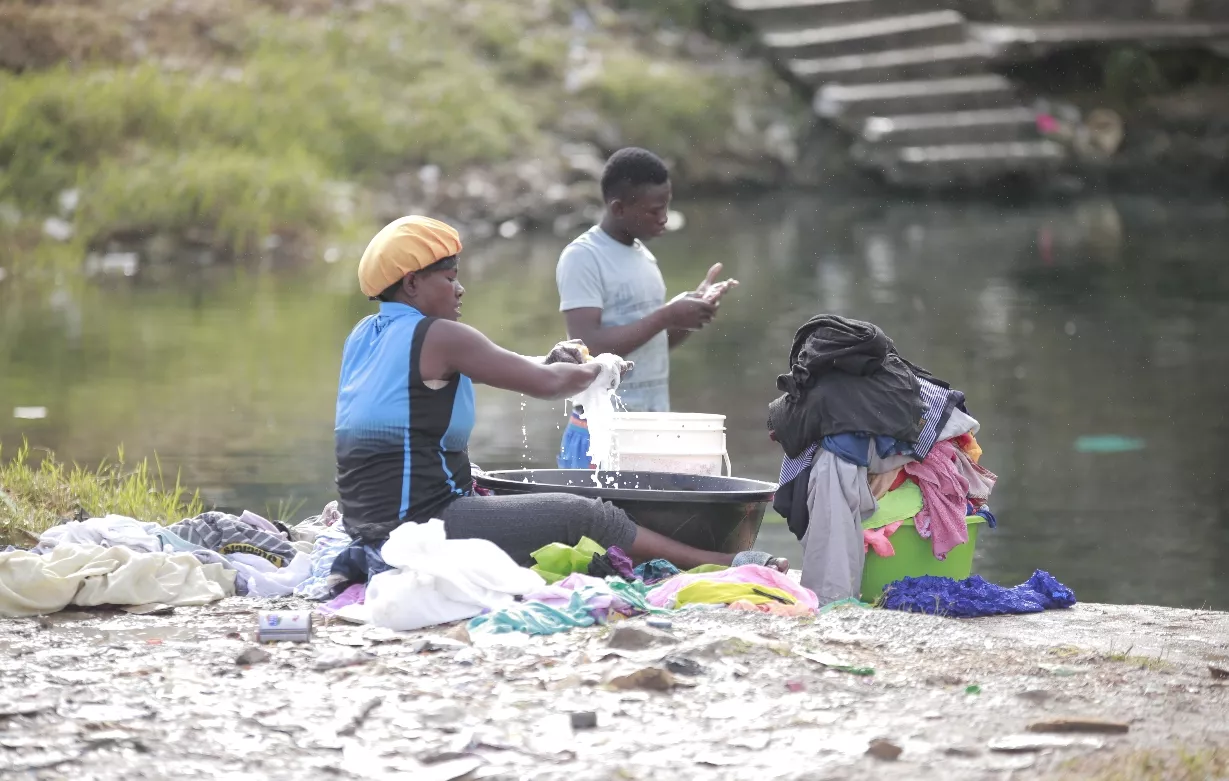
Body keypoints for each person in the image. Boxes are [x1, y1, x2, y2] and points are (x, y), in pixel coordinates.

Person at [335, 215, 786, 574]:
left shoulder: (365, 335)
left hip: (369, 522)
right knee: (585, 515)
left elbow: (519, 367)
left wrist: (550, 358)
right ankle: (726, 565)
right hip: (421, 525)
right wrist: (602, 367)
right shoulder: (443, 337)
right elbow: (550, 385)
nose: (460, 288)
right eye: (449, 278)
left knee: (515, 494)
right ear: (412, 283)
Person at [555, 147, 738, 467]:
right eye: (655, 210)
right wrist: (667, 314)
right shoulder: (583, 257)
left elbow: (653, 345)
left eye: (667, 206)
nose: (665, 217)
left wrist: (690, 314)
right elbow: (589, 347)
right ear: (618, 208)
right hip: (602, 430)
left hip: (650, 426)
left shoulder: (643, 256)